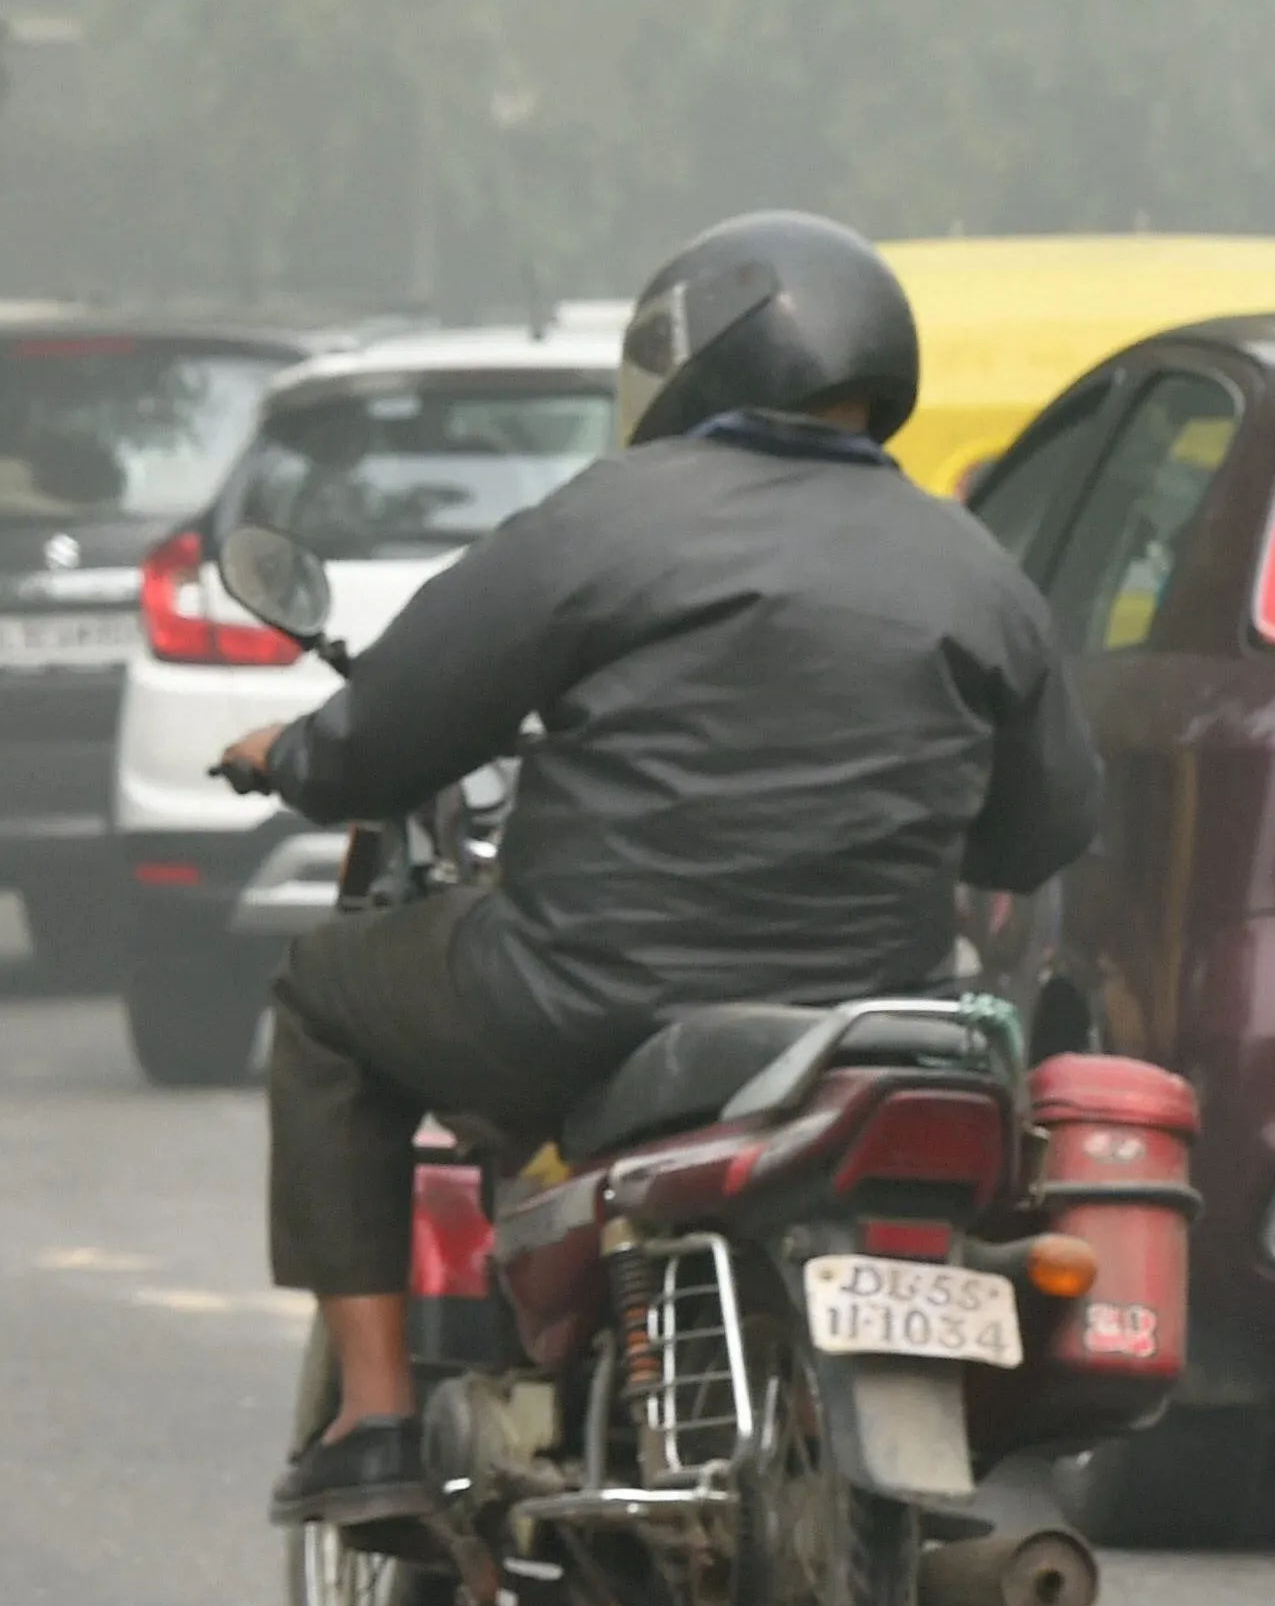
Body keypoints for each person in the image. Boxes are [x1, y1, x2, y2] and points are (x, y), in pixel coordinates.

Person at [215, 211, 1097, 1524]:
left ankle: (375, 1418)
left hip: (580, 996)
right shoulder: (975, 564)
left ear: (695, 362)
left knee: (328, 1000)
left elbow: (390, 735)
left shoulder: (606, 522)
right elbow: (1040, 831)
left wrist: (294, 755)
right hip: (870, 1023)